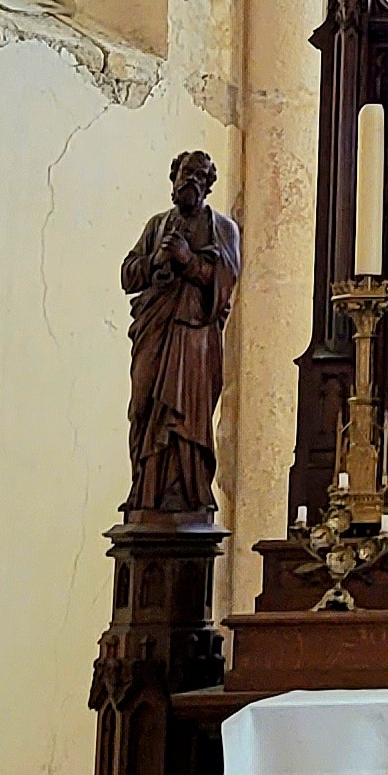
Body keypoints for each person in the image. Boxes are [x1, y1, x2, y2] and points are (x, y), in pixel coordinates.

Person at [119, 149, 242, 517]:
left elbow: (226, 281)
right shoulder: (157, 226)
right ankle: (144, 492)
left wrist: (189, 261)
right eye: (186, 173)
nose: (191, 180)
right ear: (173, 178)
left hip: (194, 338)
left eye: (200, 176)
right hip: (154, 329)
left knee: (186, 416)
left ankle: (188, 494)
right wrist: (157, 259)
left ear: (208, 185)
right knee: (144, 406)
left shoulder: (223, 228)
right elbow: (128, 274)